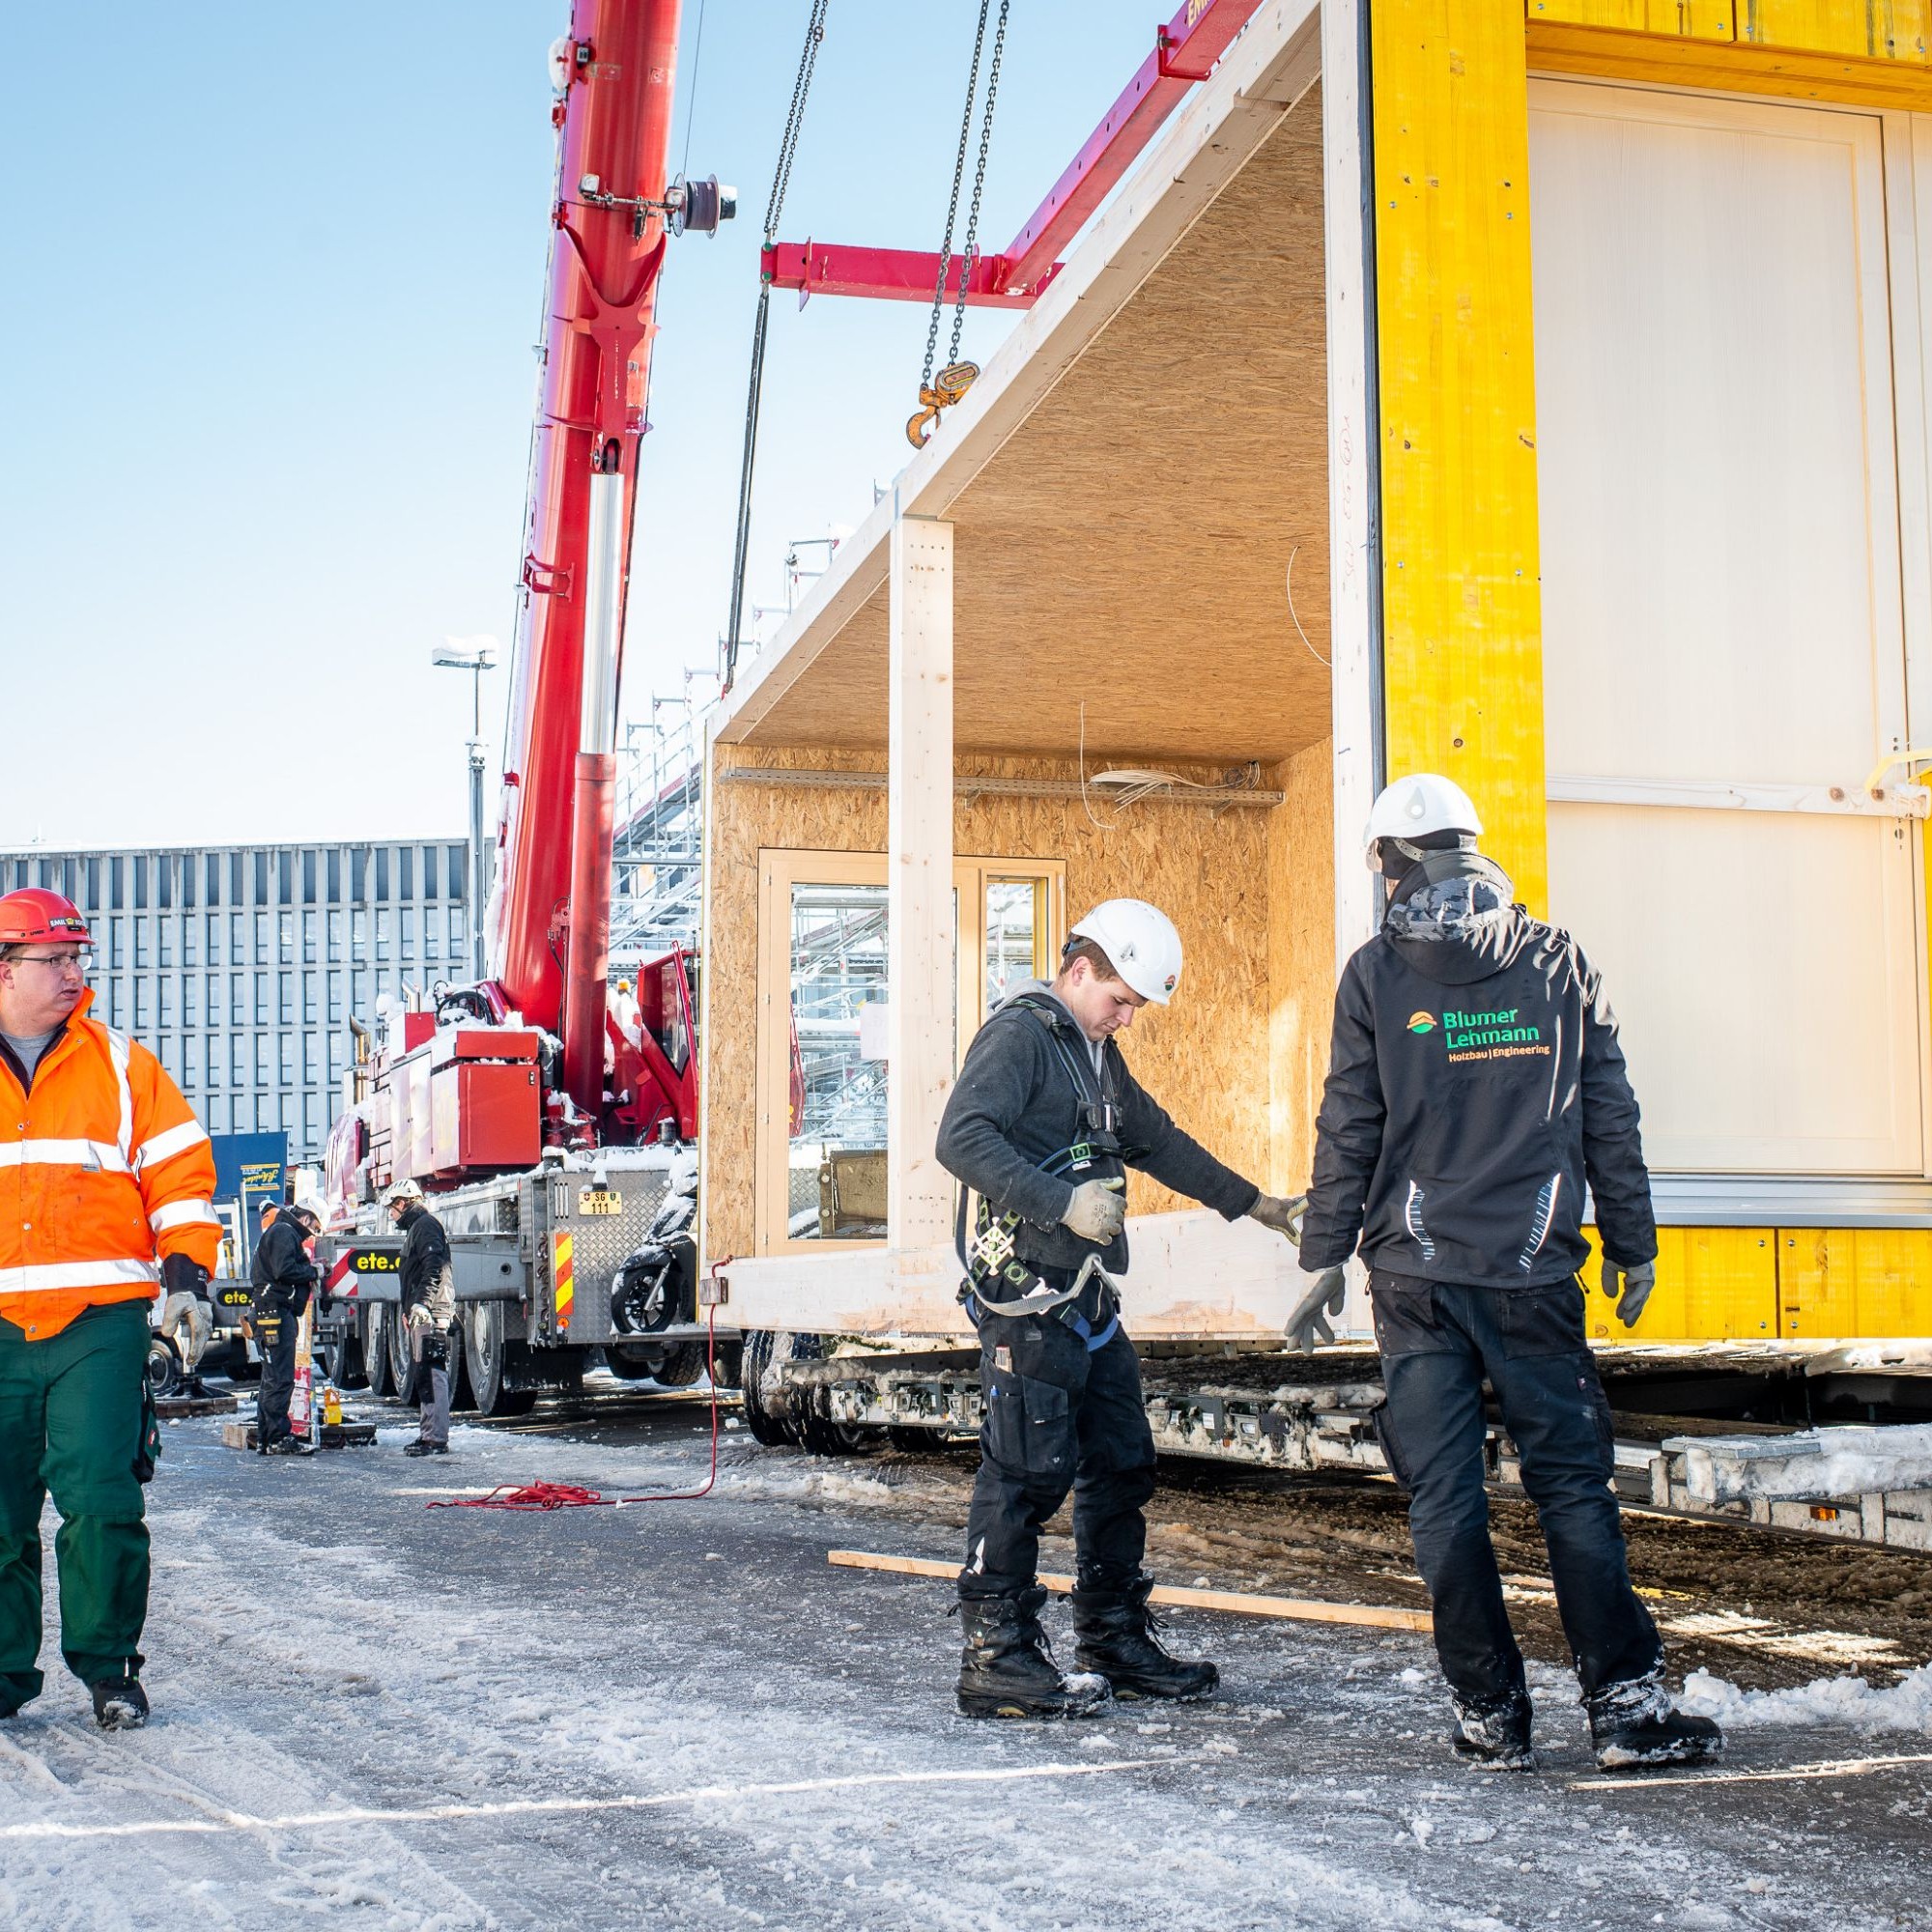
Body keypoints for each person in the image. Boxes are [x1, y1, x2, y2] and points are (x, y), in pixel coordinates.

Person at [1293, 773, 1721, 1774]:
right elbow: (1606, 1112)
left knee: (1442, 1497)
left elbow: (1347, 1124)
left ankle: (1489, 1712)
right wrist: (1631, 1239)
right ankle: (1621, 1709)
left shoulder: (1372, 975)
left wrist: (1322, 1257)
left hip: (1412, 1278)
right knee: (1571, 1490)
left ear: (1395, 860)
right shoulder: (1554, 959)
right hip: (1530, 1274)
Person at [936, 898, 1303, 1718]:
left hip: (1085, 1295)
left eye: (1136, 1005)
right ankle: (996, 1656)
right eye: (1121, 999)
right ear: (1079, 970)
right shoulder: (1023, 1035)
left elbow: (1157, 1139)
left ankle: (1112, 1637)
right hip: (1026, 1294)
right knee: (1027, 1470)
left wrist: (1256, 1204)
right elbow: (961, 1137)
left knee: (1122, 1459)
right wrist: (1060, 1205)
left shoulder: (1091, 1051)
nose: (1128, 1017)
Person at [0, 888, 219, 1731]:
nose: (73, 973)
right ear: (6, 968)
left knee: (101, 1498)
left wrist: (189, 1277)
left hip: (98, 1322)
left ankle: (109, 1671)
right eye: (54, 959)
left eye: (77, 957)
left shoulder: (123, 1067)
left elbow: (181, 1177)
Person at [388, 1179, 455, 1457]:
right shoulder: (418, 1228)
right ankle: (429, 1434)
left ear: (403, 1202)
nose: (391, 1214)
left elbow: (433, 1268)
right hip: (423, 1312)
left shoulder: (425, 1226)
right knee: (424, 1373)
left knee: (431, 1372)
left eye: (392, 1208)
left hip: (431, 1312)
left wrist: (422, 1305)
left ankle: (435, 1438)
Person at [250, 1198, 319, 1455]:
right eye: (315, 1226)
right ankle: (277, 1437)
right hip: (274, 1314)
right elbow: (284, 1270)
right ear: (306, 1218)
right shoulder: (284, 1232)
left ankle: (267, 1438)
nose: (314, 1232)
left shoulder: (281, 1232)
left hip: (272, 1313)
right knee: (279, 1378)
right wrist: (314, 1272)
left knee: (272, 1377)